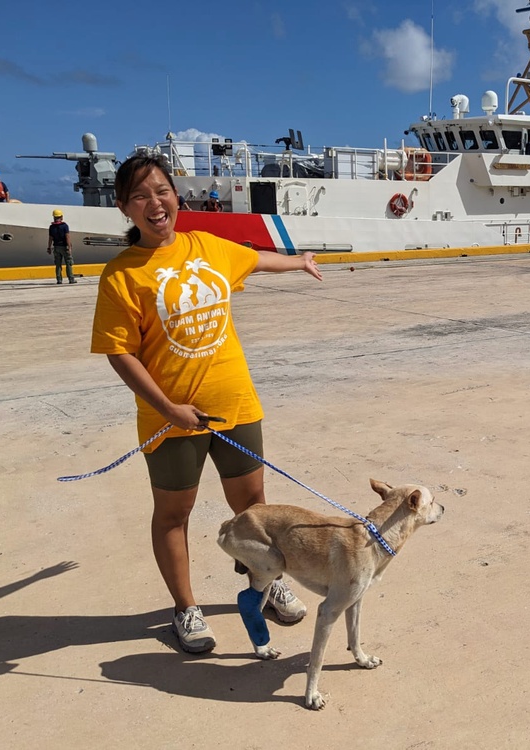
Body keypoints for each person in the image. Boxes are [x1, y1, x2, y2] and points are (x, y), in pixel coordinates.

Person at [90, 153, 322, 654]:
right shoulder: (122, 274)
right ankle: (185, 608)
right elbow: (119, 352)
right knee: (175, 514)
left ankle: (265, 580)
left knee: (254, 509)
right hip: (169, 417)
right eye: (140, 196)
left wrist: (298, 261)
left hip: (235, 404)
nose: (155, 203)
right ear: (124, 207)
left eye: (162, 191)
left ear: (176, 195)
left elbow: (256, 259)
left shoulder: (208, 247)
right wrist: (169, 408)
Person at [47, 209, 76, 284]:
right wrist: (69, 248)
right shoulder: (65, 226)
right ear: (61, 217)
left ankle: (59, 279)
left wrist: (49, 247)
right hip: (64, 247)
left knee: (58, 264)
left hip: (56, 247)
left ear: (54, 217)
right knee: (68, 263)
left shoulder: (51, 227)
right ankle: (71, 278)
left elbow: (50, 238)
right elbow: (67, 237)